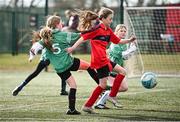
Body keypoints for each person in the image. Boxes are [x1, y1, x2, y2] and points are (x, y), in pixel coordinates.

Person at [66, 7, 136, 114]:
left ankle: (94, 103)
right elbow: (83, 38)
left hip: (105, 59)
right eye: (109, 19)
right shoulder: (97, 29)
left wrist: (129, 40)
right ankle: (104, 99)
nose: (111, 21)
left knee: (120, 73)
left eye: (112, 19)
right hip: (99, 61)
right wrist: (72, 48)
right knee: (104, 84)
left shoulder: (108, 31)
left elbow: (118, 41)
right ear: (102, 18)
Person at [36, 15, 99, 115]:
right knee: (90, 66)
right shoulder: (62, 35)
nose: (62, 24)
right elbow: (79, 35)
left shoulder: (46, 37)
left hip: (59, 69)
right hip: (69, 63)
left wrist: (33, 54)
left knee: (73, 86)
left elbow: (39, 49)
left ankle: (71, 109)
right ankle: (101, 86)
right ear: (57, 24)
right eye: (61, 23)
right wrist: (92, 29)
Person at [12, 31, 69, 96]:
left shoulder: (44, 39)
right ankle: (63, 90)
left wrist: (31, 57)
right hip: (55, 58)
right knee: (64, 71)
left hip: (45, 59)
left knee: (35, 73)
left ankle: (20, 87)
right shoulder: (57, 35)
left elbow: (34, 48)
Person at [95, 24, 137, 109]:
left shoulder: (124, 44)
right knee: (118, 87)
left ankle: (104, 95)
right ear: (116, 32)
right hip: (110, 70)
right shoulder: (115, 43)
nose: (123, 32)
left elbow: (125, 57)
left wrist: (132, 46)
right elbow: (124, 55)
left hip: (118, 70)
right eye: (121, 31)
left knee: (124, 88)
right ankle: (103, 98)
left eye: (125, 31)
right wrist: (133, 48)